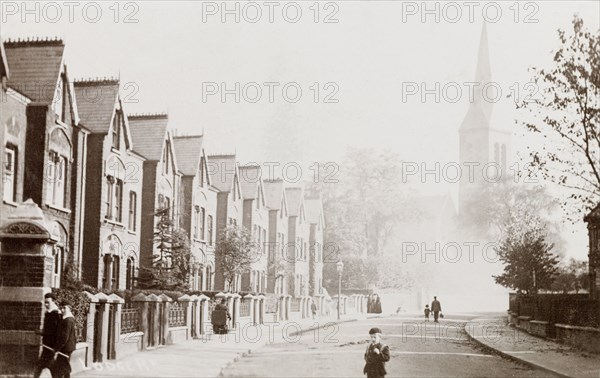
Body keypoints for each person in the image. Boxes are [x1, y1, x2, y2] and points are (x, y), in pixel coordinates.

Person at [34, 293, 62, 378]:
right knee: (47, 366)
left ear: (54, 302)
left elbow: (55, 331)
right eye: (45, 302)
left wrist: (42, 332)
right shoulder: (48, 313)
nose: (46, 305)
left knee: (43, 365)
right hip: (47, 345)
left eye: (48, 302)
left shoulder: (56, 314)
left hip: (52, 346)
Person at [52, 300, 77, 378]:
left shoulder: (68, 320)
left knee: (60, 369)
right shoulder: (67, 319)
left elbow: (64, 337)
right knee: (64, 368)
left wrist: (57, 348)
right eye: (61, 308)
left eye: (64, 308)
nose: (62, 310)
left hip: (65, 348)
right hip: (67, 347)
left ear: (69, 308)